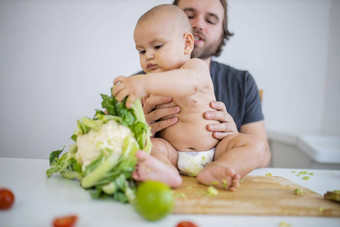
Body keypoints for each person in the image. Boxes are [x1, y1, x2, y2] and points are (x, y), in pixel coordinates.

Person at [113, 4, 267, 191]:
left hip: (217, 151)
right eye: (142, 51)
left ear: (187, 43)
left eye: (157, 46)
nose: (149, 56)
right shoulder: (142, 84)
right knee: (149, 146)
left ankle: (222, 168)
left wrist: (145, 84)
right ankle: (166, 172)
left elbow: (190, 82)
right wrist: (140, 128)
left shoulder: (194, 67)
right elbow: (122, 131)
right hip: (173, 154)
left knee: (255, 145)